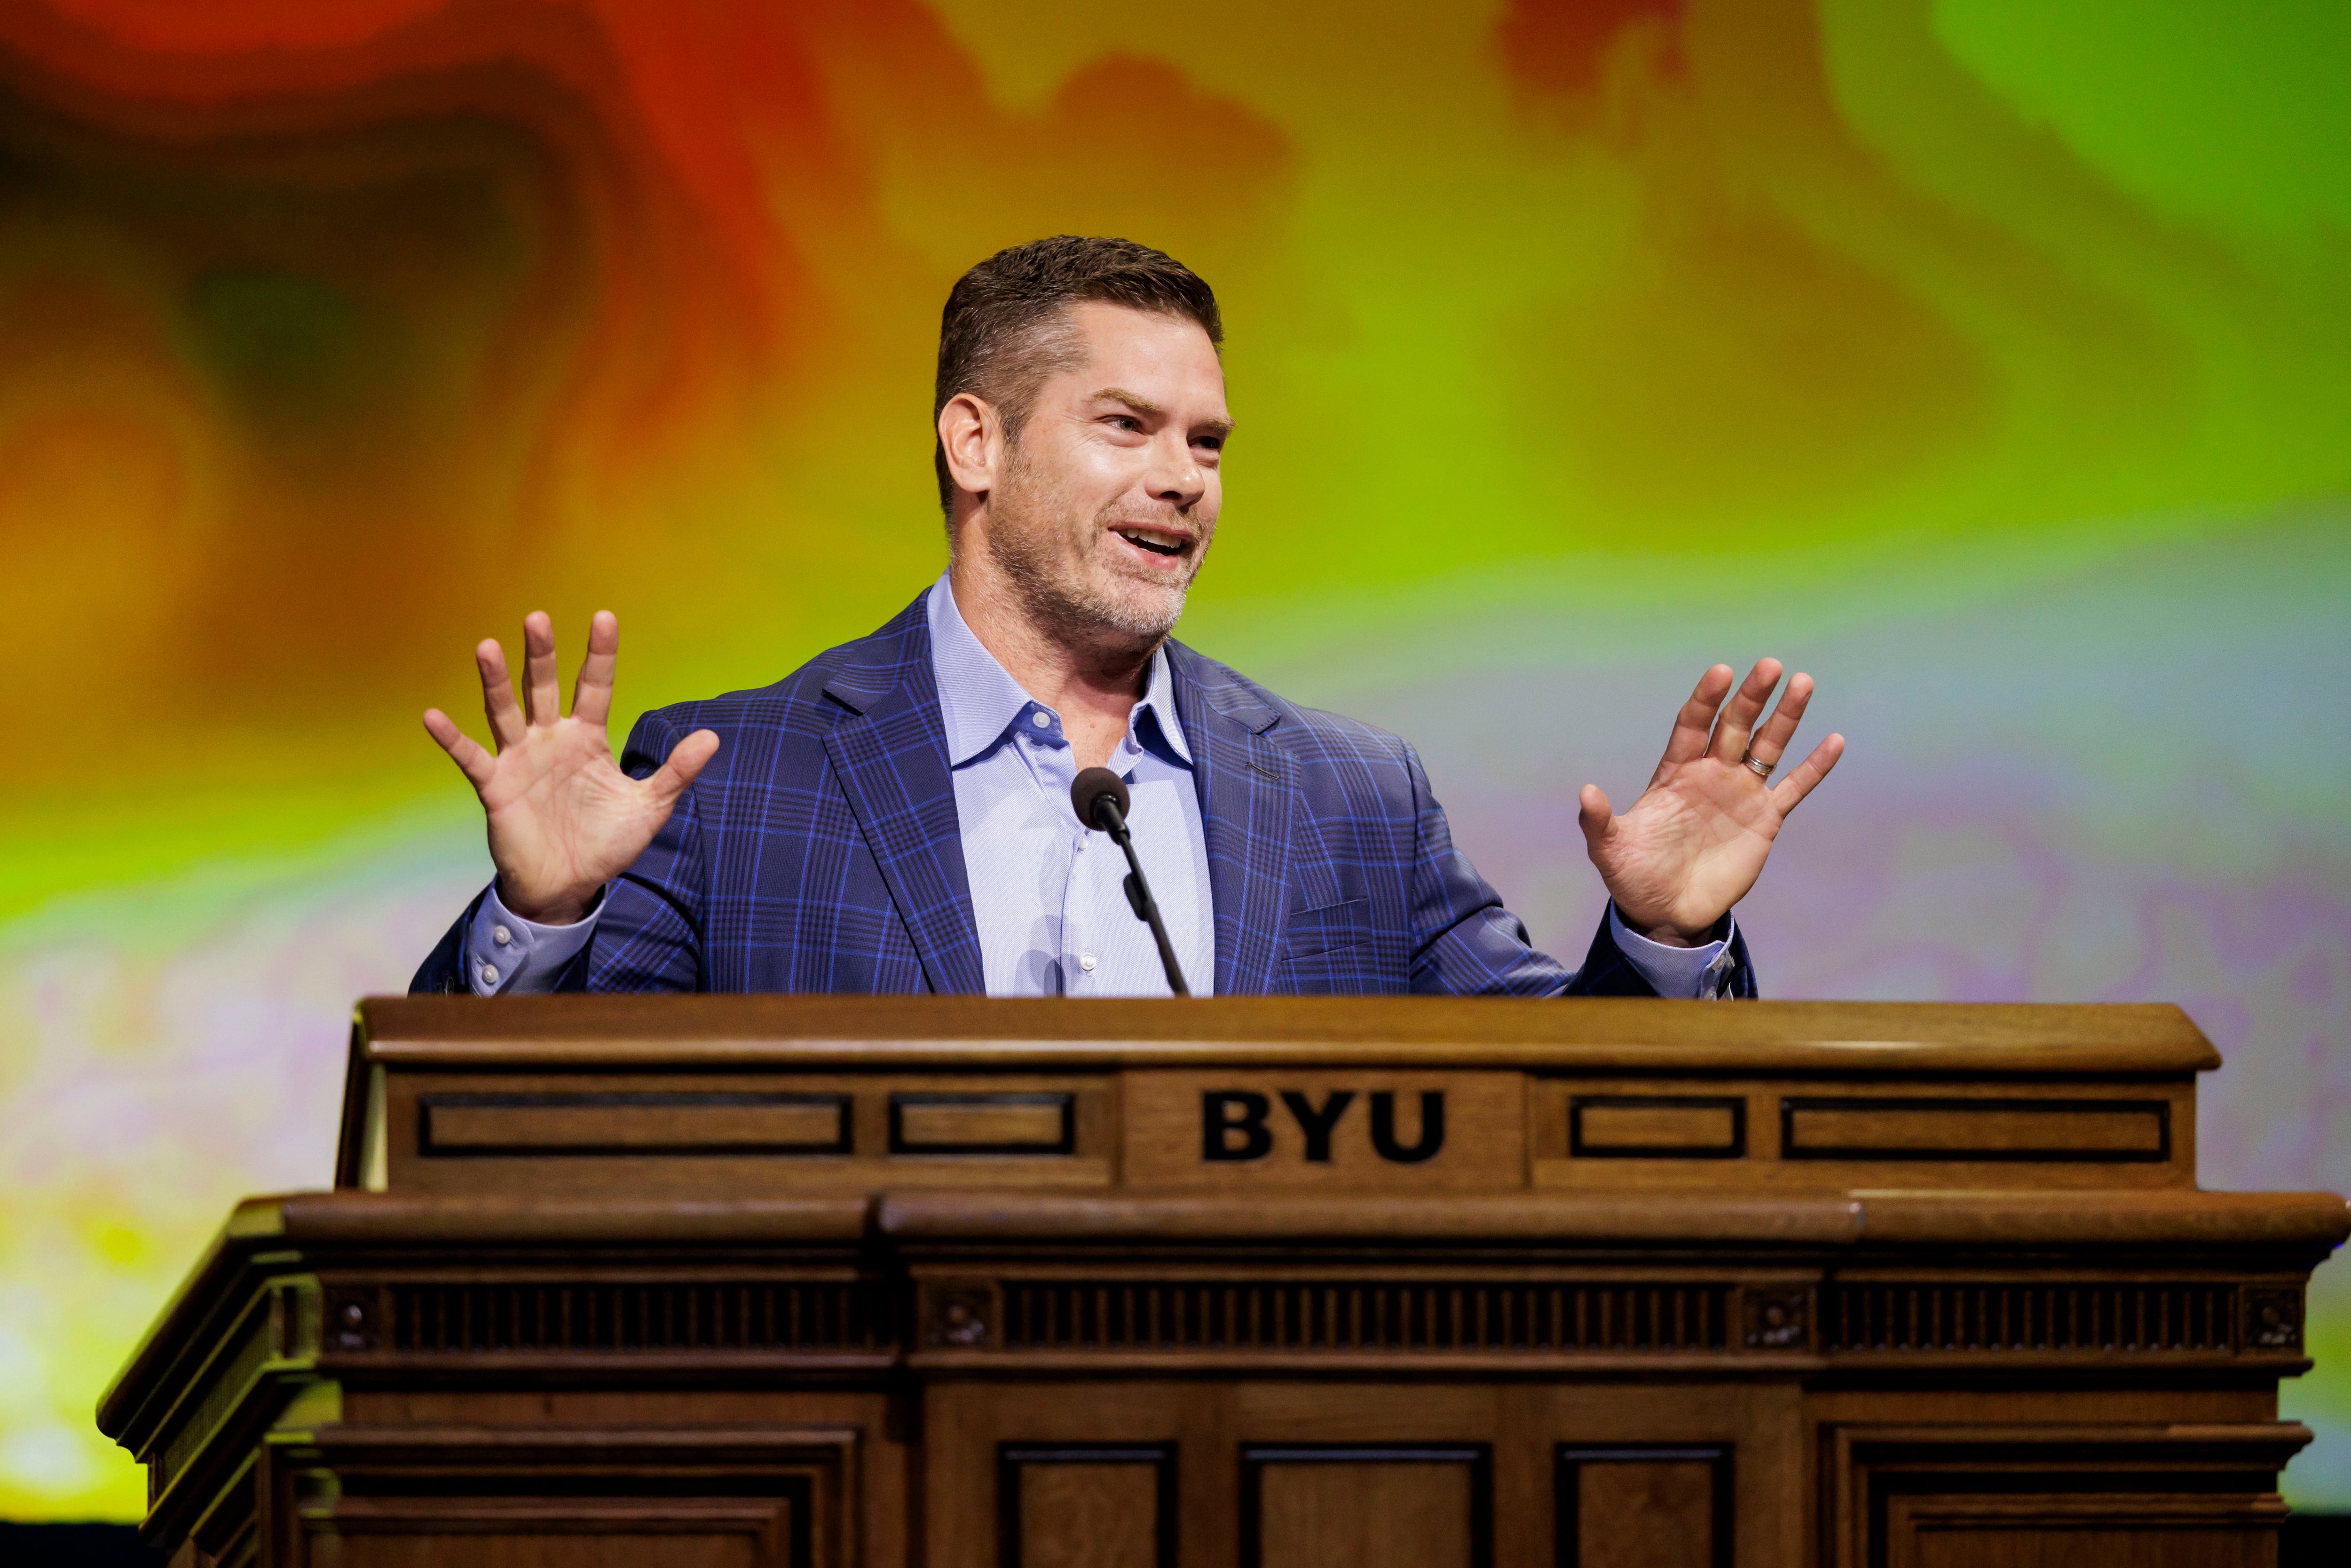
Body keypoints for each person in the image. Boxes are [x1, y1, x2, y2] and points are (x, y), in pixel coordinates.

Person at [411, 236, 1842, 998]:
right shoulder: (736, 781)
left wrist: (1658, 945)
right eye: (1127, 427)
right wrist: (545, 917)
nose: (1183, 483)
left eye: (1208, 444)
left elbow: (1551, 1124)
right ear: (976, 446)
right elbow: (557, 1138)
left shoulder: (1350, 799)